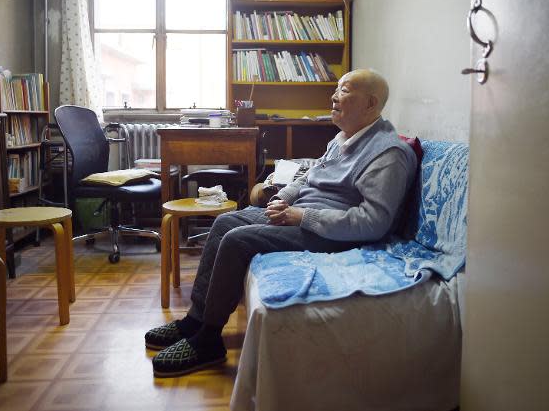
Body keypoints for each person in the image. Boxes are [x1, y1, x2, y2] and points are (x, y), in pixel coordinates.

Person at [145, 69, 418, 377]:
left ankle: (209, 340)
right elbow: (309, 176)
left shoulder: (388, 153)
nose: (333, 96)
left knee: (237, 240)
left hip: (335, 234)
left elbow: (373, 222)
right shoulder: (344, 137)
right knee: (225, 223)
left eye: (344, 91)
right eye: (336, 89)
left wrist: (301, 216)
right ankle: (195, 319)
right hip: (301, 215)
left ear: (370, 104)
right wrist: (283, 197)